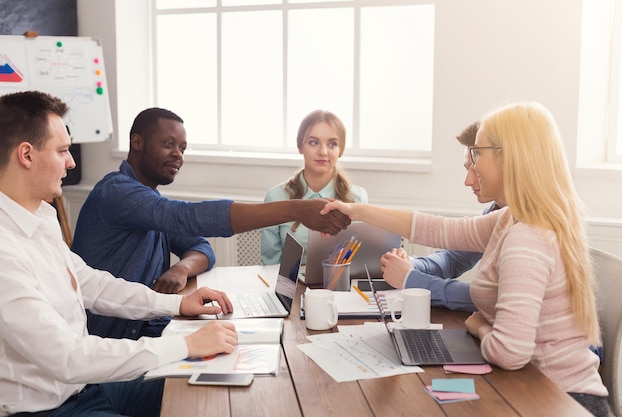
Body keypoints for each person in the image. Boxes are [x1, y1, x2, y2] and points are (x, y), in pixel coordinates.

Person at [322, 102, 609, 417]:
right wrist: (358, 211)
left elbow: (510, 353)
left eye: (477, 155)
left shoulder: (527, 237)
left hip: (557, 399)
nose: (470, 172)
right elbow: (441, 229)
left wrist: (481, 328)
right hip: (535, 388)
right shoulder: (513, 218)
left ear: (509, 156)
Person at [0, 90, 240, 416]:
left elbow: (90, 283)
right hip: (49, 409)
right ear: (26, 155)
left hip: (88, 388)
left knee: (211, 390)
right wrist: (184, 344)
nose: (71, 162)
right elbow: (67, 357)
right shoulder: (5, 251)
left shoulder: (41, 218)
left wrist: (177, 303)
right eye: (63, 151)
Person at [71, 107, 351, 340]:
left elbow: (200, 246)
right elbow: (188, 218)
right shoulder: (118, 193)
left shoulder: (147, 201)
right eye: (168, 144)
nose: (178, 155)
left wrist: (182, 267)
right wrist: (296, 209)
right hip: (112, 339)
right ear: (137, 142)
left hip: (148, 325)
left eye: (182, 148)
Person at [380, 122, 504, 312]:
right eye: (467, 169)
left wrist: (410, 279)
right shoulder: (496, 210)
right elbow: (454, 258)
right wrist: (410, 264)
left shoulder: (525, 226)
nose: (468, 181)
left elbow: (488, 299)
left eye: (476, 170)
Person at [261, 109, 367, 265]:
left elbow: (358, 261)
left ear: (340, 150)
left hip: (340, 287)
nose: (323, 152)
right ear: (300, 146)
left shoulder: (357, 198)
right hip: (292, 288)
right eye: (313, 142)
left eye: (332, 144)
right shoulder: (275, 198)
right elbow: (270, 265)